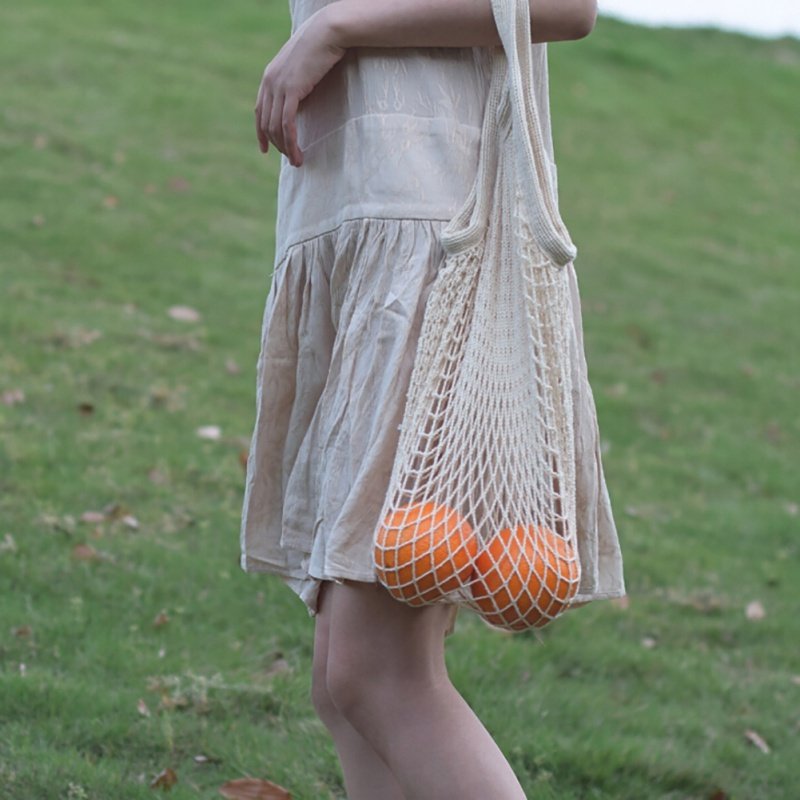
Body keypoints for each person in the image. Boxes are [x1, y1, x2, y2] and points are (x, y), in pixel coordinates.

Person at [241, 2, 625, 798]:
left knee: (378, 676)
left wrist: (334, 29)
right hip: (359, 214)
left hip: (434, 236)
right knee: (346, 688)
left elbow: (567, 6)